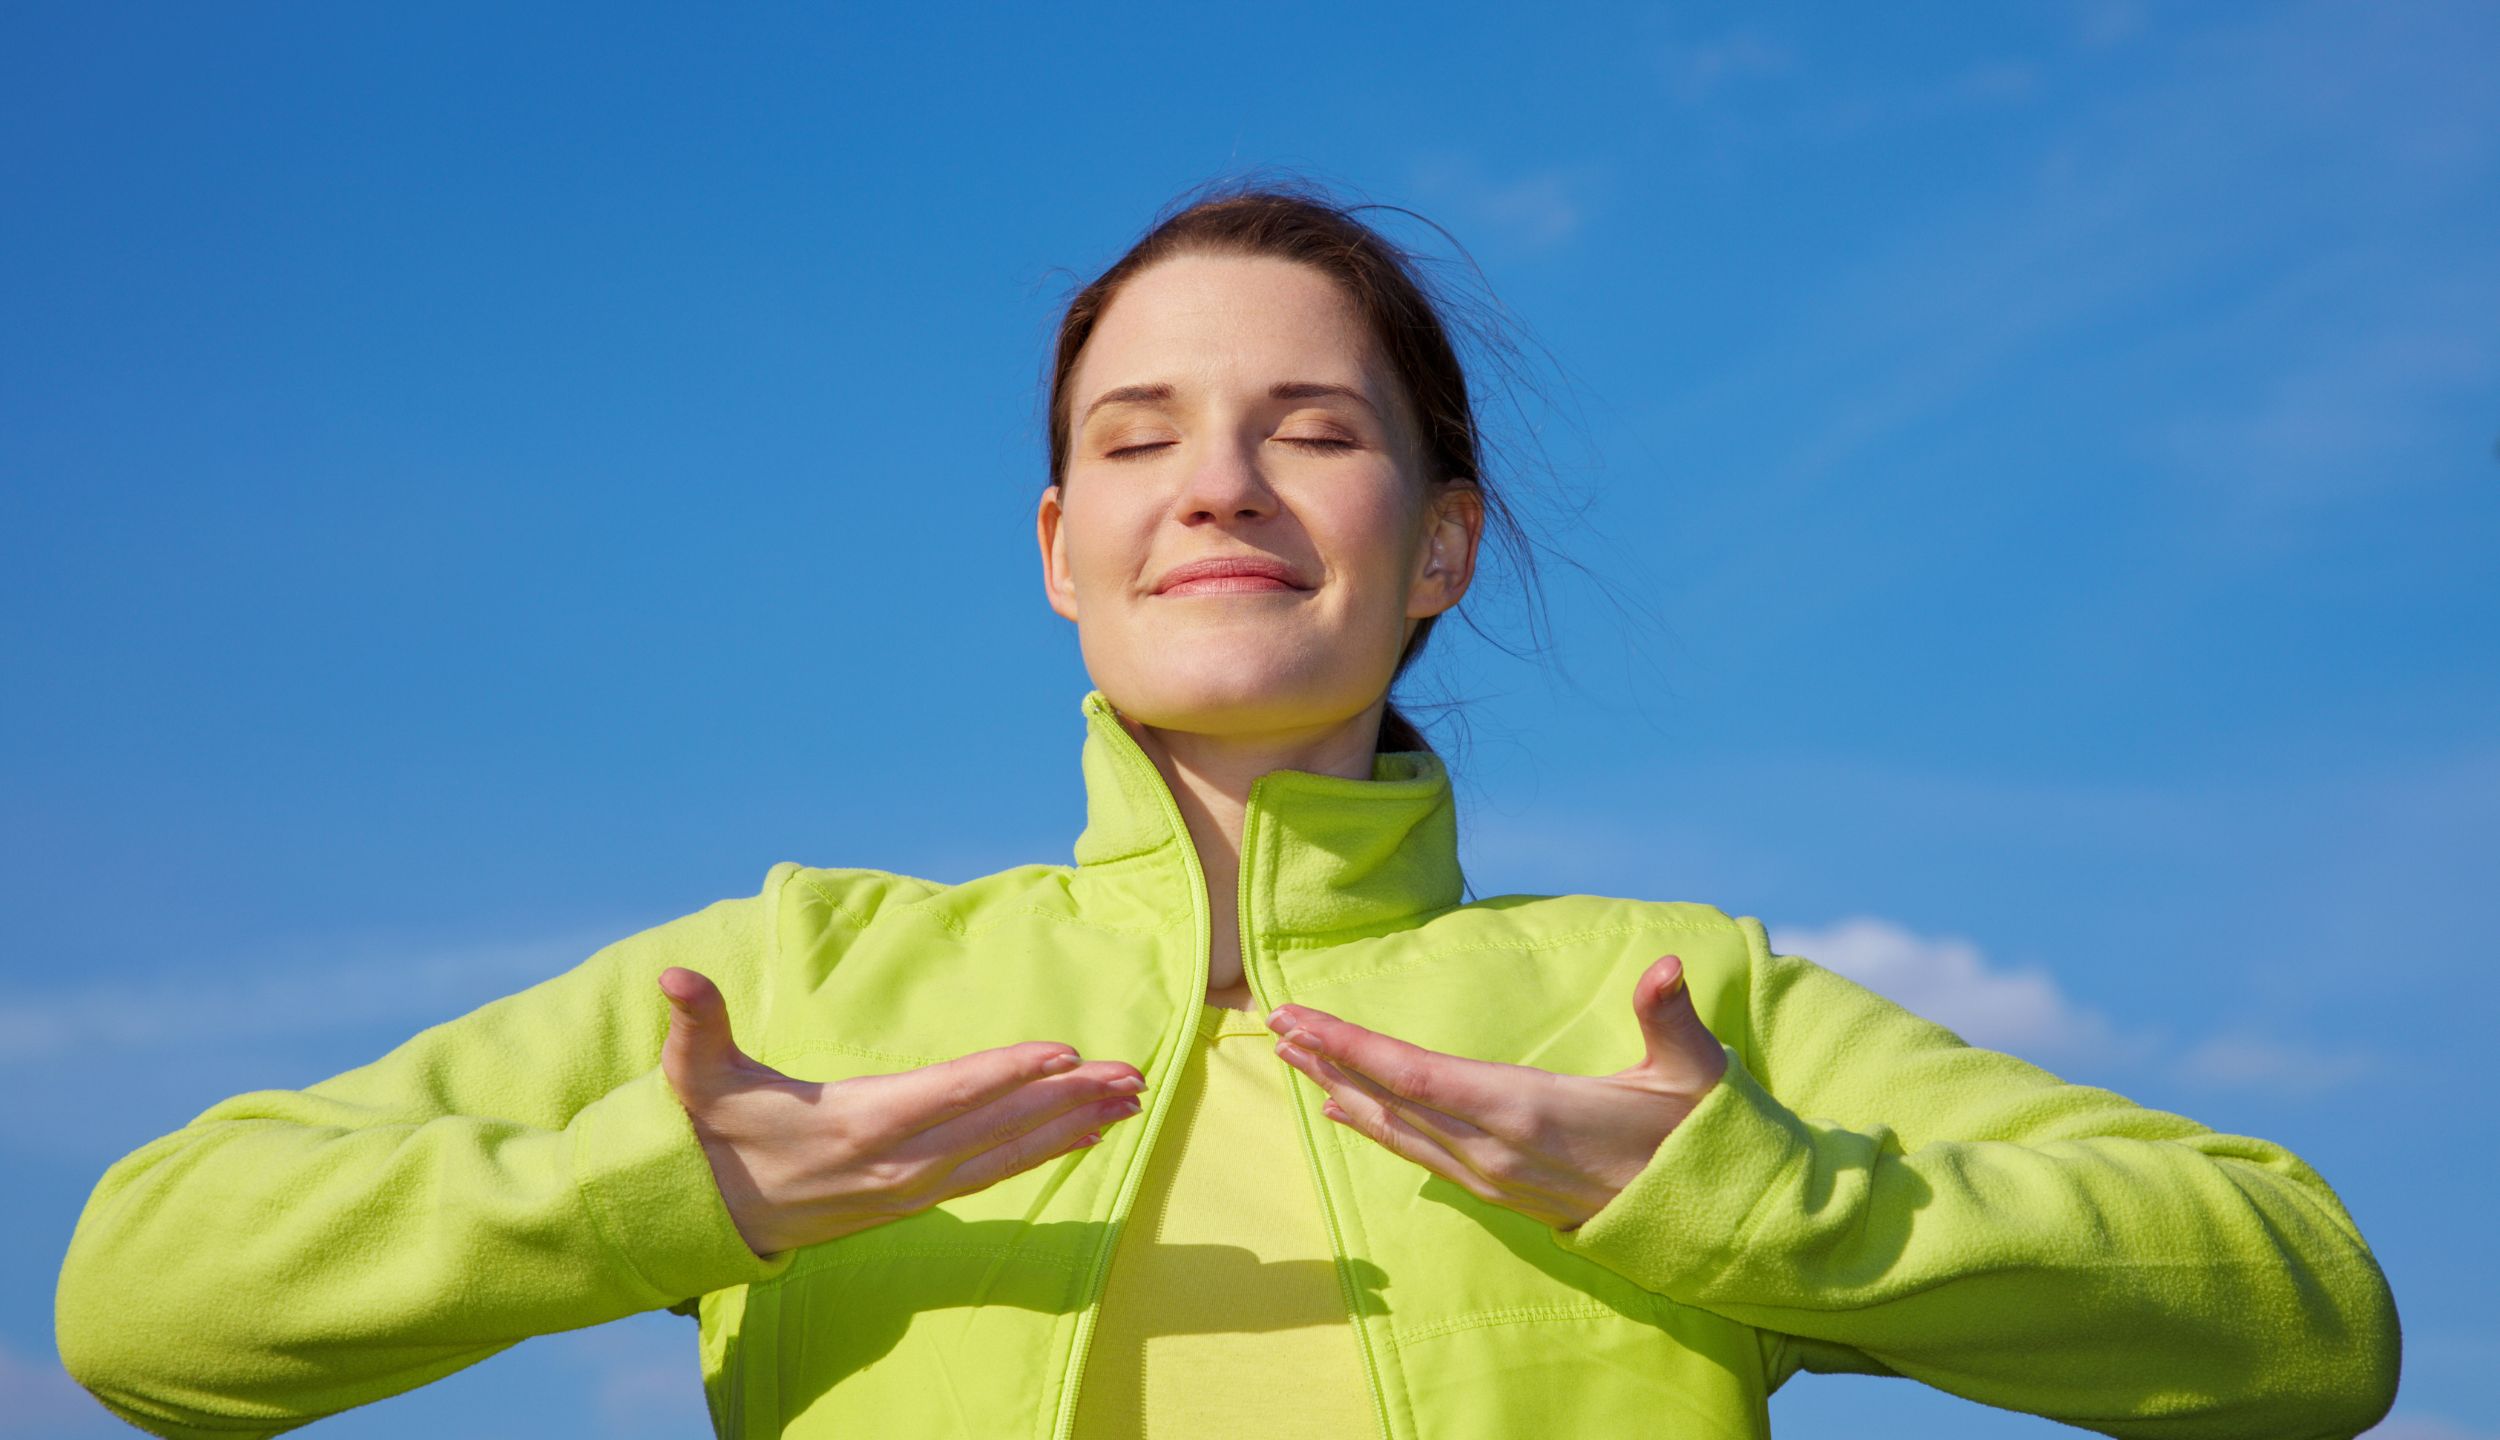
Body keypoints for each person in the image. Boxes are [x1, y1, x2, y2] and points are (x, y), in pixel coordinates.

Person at [55, 180, 2400, 1440]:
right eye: (1136, 435)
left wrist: (1736, 1199)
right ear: (1056, 546)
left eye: (1312, 423)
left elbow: (2305, 1323)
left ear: (1440, 542)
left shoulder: (1655, 1004)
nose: (1218, 487)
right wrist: (670, 1188)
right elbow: (145, 1300)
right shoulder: (786, 983)